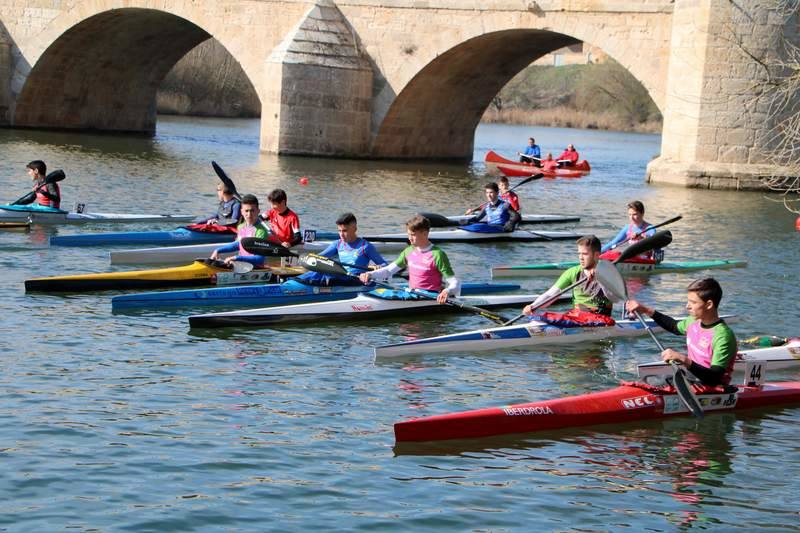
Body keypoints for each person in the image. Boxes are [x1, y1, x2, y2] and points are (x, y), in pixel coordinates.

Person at [625, 278, 737, 388]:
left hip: (713, 387)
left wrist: (682, 358)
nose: (687, 306)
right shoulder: (694, 321)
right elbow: (674, 326)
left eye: (693, 302)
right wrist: (645, 310)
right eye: (688, 301)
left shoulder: (722, 336)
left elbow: (714, 378)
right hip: (692, 378)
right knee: (647, 380)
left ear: (709, 305)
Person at [359, 215, 460, 304]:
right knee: (373, 293)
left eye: (413, 235)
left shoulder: (438, 255)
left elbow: (455, 283)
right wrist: (370, 274)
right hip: (413, 293)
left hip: (429, 297)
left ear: (425, 233)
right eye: (408, 234)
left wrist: (447, 291)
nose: (409, 238)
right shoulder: (409, 251)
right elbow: (389, 270)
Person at [522, 235, 615, 319]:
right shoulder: (572, 272)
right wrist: (533, 306)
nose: (581, 258)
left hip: (601, 319)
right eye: (579, 253)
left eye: (585, 254)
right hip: (578, 318)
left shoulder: (609, 273)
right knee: (544, 318)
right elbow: (551, 294)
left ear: (596, 255)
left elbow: (614, 297)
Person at [295, 212, 387, 286]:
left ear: (354, 228)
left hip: (356, 280)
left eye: (345, 231)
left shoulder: (365, 247)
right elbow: (319, 258)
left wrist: (379, 268)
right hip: (341, 277)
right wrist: (304, 258)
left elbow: (385, 265)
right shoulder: (337, 244)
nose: (341, 234)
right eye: (339, 231)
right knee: (319, 271)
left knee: (322, 275)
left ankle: (294, 284)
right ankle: (292, 282)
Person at [210, 194, 270, 267]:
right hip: (241, 266)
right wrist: (218, 250)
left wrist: (236, 258)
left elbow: (260, 259)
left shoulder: (261, 232)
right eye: (246, 211)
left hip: (255, 269)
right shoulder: (241, 227)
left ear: (258, 211)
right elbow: (238, 245)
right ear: (242, 212)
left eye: (252, 211)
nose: (249, 214)